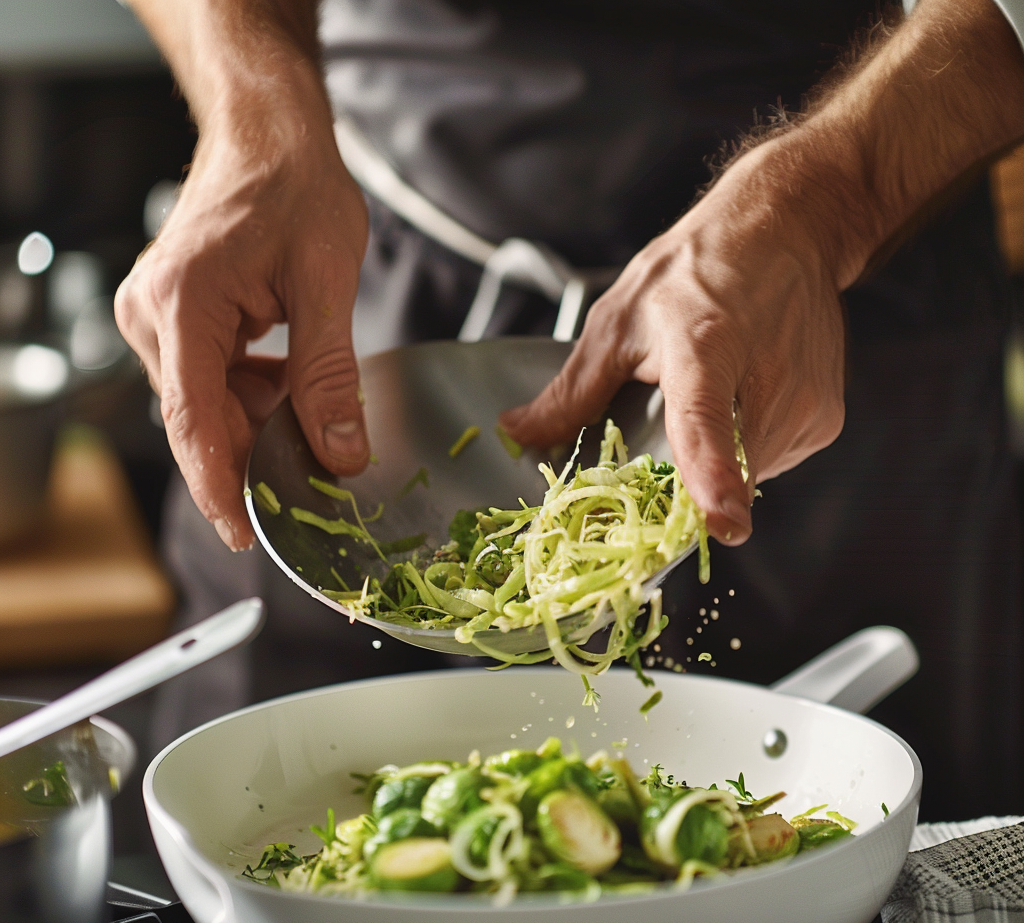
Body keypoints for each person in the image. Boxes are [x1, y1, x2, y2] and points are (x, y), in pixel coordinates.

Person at [119, 0, 1024, 818]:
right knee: (261, 847)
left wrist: (832, 195)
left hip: (835, 291)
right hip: (361, 289)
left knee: (871, 896)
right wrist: (251, 101)